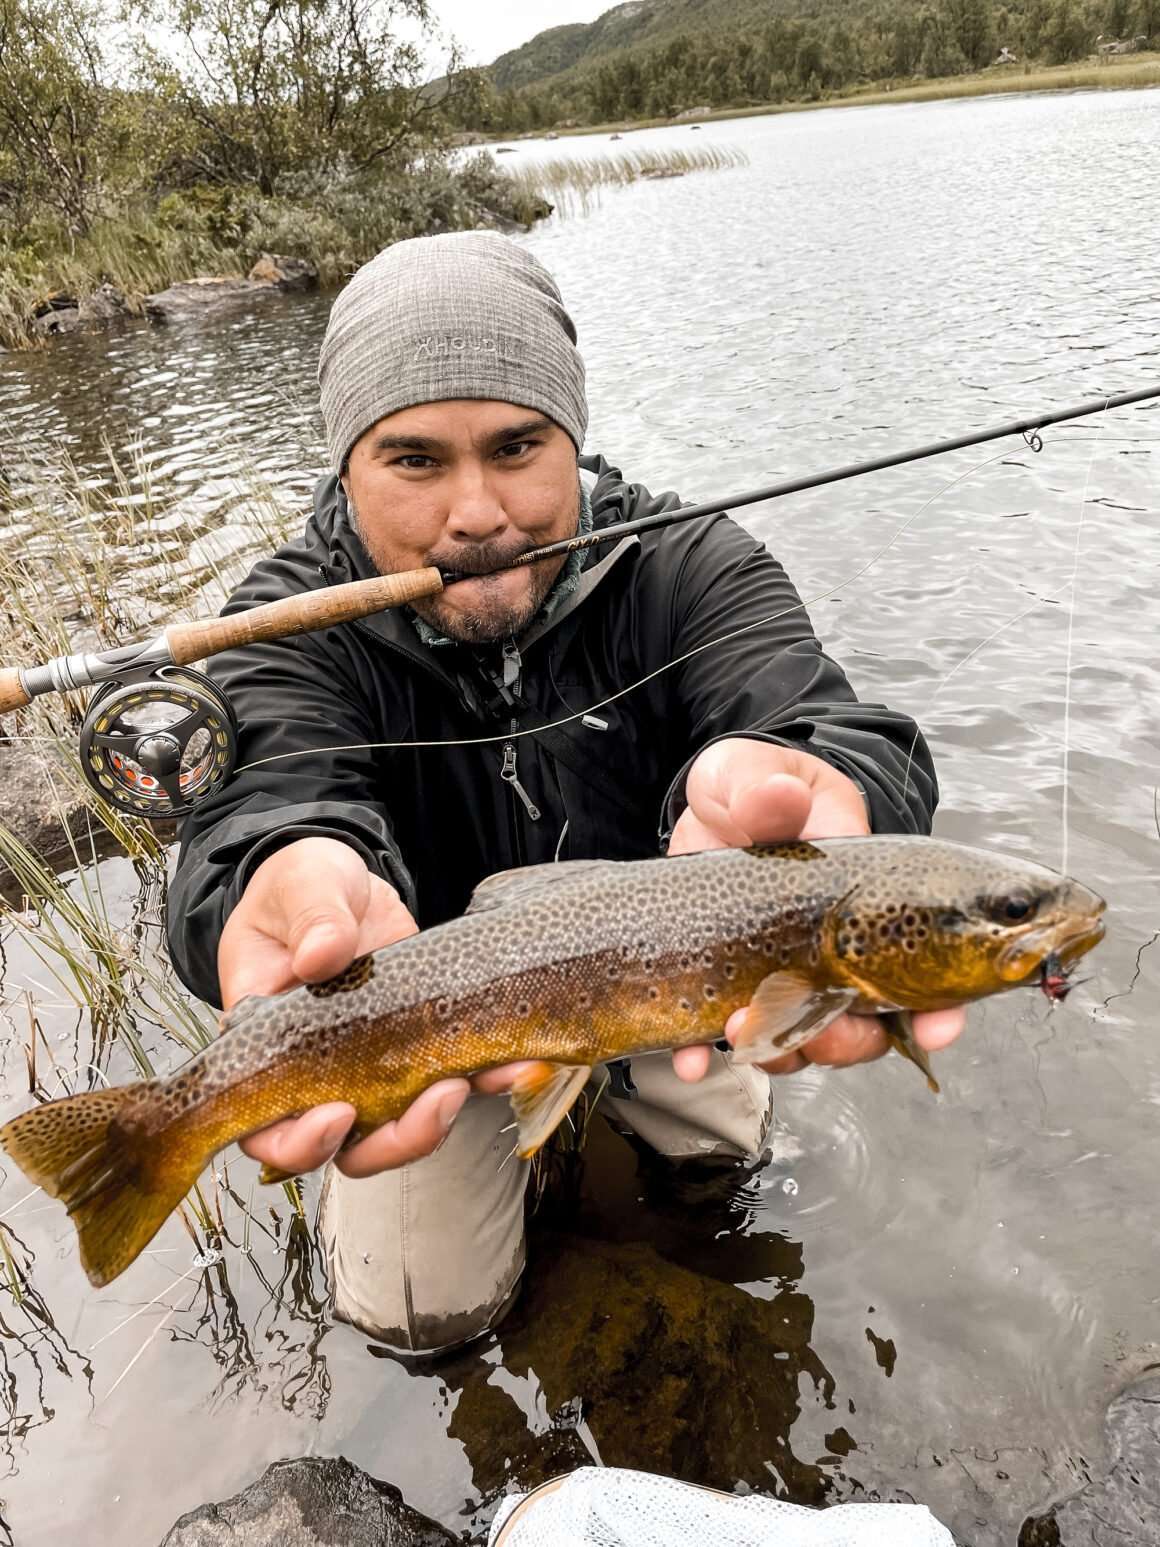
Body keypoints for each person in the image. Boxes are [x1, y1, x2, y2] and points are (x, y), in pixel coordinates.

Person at [167, 231, 964, 1355]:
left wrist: (827, 788)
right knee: (414, 1314)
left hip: (671, 976)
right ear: (344, 465)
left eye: (515, 446)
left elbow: (828, 722)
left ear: (571, 441)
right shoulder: (281, 628)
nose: (478, 511)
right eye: (413, 460)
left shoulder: (689, 564)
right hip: (425, 1017)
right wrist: (281, 868)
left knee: (717, 1182)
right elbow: (258, 808)